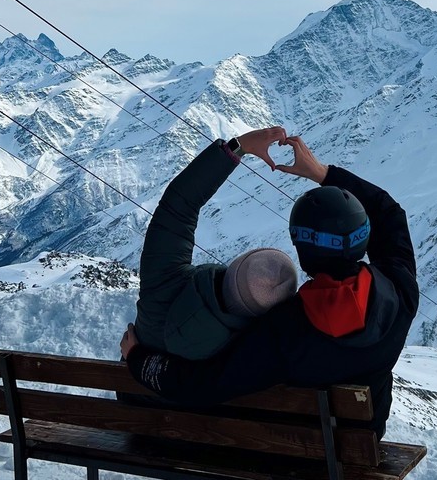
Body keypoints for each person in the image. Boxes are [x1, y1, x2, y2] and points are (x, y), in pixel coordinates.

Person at [120, 132, 419, 438]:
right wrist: (323, 173)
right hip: (349, 451)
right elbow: (389, 214)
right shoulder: (401, 290)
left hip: (288, 455)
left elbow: (205, 384)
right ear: (364, 237)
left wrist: (139, 359)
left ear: (303, 251)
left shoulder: (285, 330)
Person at [133, 126, 298, 361]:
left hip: (131, 392)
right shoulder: (248, 358)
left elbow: (179, 205)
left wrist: (239, 147)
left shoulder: (164, 282)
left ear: (235, 267)